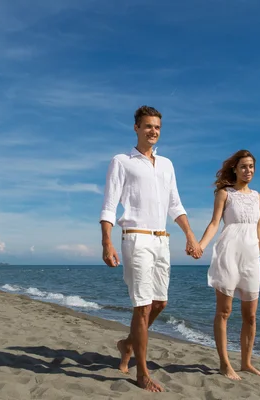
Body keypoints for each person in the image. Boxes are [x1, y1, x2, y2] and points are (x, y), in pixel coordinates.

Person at [99, 105, 203, 392]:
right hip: (135, 237)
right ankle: (141, 372)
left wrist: (190, 236)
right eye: (147, 126)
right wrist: (107, 241)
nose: (153, 131)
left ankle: (127, 343)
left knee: (160, 304)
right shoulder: (122, 161)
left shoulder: (167, 164)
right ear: (136, 128)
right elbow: (109, 205)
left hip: (162, 240)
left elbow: (175, 205)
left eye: (157, 126)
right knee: (142, 307)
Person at [197, 149, 260, 381]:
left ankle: (246, 362)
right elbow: (214, 224)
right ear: (235, 168)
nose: (248, 170)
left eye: (251, 166)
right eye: (243, 166)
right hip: (228, 255)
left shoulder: (258, 197)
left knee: (250, 316)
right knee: (224, 311)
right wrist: (200, 245)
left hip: (251, 258)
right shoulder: (224, 194)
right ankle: (224, 363)